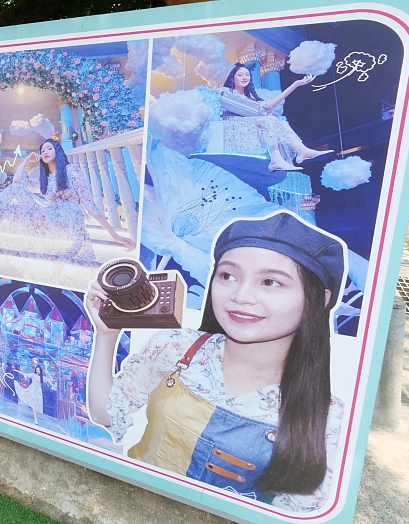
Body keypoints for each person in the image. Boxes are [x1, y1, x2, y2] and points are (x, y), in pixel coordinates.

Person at [83, 212, 345, 511]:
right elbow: (106, 414)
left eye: (270, 282)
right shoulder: (175, 347)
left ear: (320, 299)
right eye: (228, 276)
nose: (241, 296)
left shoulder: (330, 420)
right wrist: (106, 335)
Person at [0, 138, 134, 260]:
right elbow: (18, 181)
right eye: (42, 150)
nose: (45, 151)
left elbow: (89, 204)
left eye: (49, 148)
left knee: (13, 193)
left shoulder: (72, 171)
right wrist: (26, 159)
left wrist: (115, 234)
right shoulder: (45, 181)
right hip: (48, 218)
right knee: (8, 206)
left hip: (67, 220)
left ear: (58, 151)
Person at [220, 64, 332, 172]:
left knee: (280, 121)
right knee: (270, 119)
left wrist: (295, 84)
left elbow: (268, 105)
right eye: (240, 75)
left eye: (247, 74)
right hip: (232, 125)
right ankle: (277, 159)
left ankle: (301, 150)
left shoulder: (250, 98)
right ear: (232, 77)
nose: (245, 77)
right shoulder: (224, 91)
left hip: (251, 123)